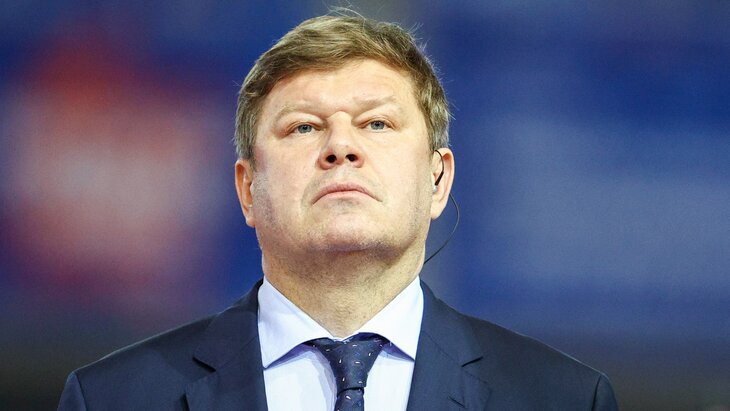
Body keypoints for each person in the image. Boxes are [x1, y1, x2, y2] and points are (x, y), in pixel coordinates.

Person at [58, 12, 618, 411]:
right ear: (248, 189)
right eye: (304, 127)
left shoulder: (564, 399)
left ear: (438, 178)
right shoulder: (111, 399)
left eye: (376, 123)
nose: (341, 146)